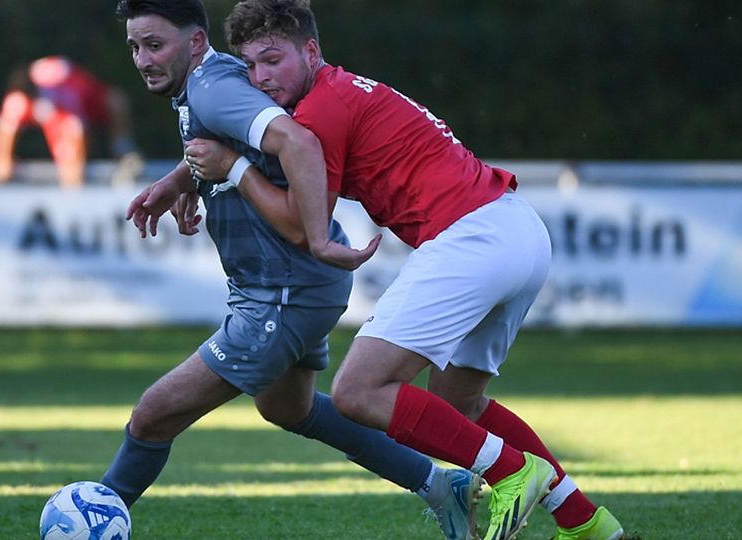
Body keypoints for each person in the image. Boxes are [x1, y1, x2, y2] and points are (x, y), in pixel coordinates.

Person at [181, 1, 624, 539]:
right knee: (460, 404)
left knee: (358, 392)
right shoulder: (342, 91)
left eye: (273, 59)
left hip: (472, 236)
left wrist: (232, 170)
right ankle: (586, 523)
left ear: (311, 51)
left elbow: (300, 225)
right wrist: (180, 182)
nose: (261, 77)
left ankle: (511, 471)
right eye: (250, 66)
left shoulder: (317, 114)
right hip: (518, 229)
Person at [105, 1, 484, 538]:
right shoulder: (209, 84)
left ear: (194, 44)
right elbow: (231, 144)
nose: (143, 59)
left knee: (152, 416)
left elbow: (296, 141)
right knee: (288, 408)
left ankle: (96, 518)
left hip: (283, 289)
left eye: (154, 45)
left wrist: (315, 238)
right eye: (135, 47)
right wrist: (179, 182)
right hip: (287, 285)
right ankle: (442, 487)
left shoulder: (215, 86)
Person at [0, 55, 144, 188]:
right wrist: (2, 158)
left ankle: (123, 150)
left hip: (88, 103)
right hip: (67, 108)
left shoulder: (63, 94)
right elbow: (5, 130)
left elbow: (75, 129)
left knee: (116, 101)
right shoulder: (19, 101)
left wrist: (72, 169)